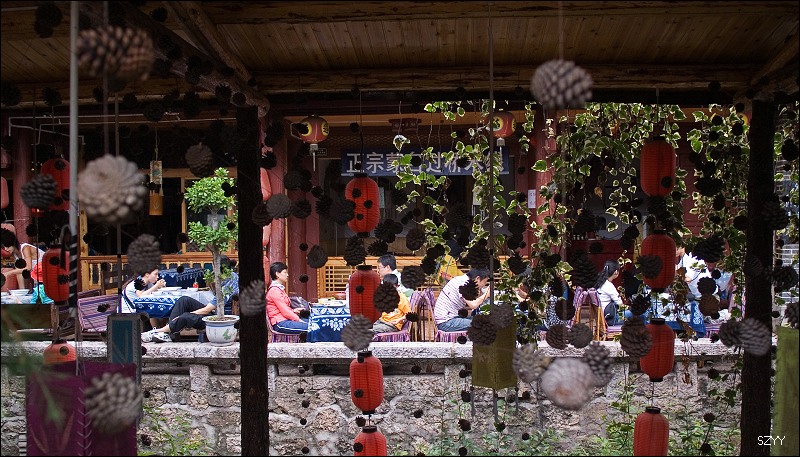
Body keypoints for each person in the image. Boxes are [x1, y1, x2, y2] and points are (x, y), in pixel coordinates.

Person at [434, 267, 491, 332]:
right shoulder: (464, 284)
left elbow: (475, 297)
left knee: (481, 320)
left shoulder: (462, 280)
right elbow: (473, 305)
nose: (484, 284)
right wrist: (487, 294)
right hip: (446, 322)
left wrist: (483, 291)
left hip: (450, 318)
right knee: (482, 324)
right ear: (477, 279)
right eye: (485, 282)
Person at [266, 261, 308, 334]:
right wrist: (298, 320)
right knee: (312, 327)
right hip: (280, 323)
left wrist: (294, 311)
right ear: (277, 274)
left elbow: (284, 309)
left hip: (285, 320)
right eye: (285, 272)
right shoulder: (274, 290)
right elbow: (285, 311)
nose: (287, 275)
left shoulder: (279, 289)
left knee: (313, 323)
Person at [595, 260, 624, 325]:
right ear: (616, 272)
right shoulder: (609, 285)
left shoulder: (600, 282)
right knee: (637, 315)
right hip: (610, 318)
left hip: (602, 316)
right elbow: (620, 304)